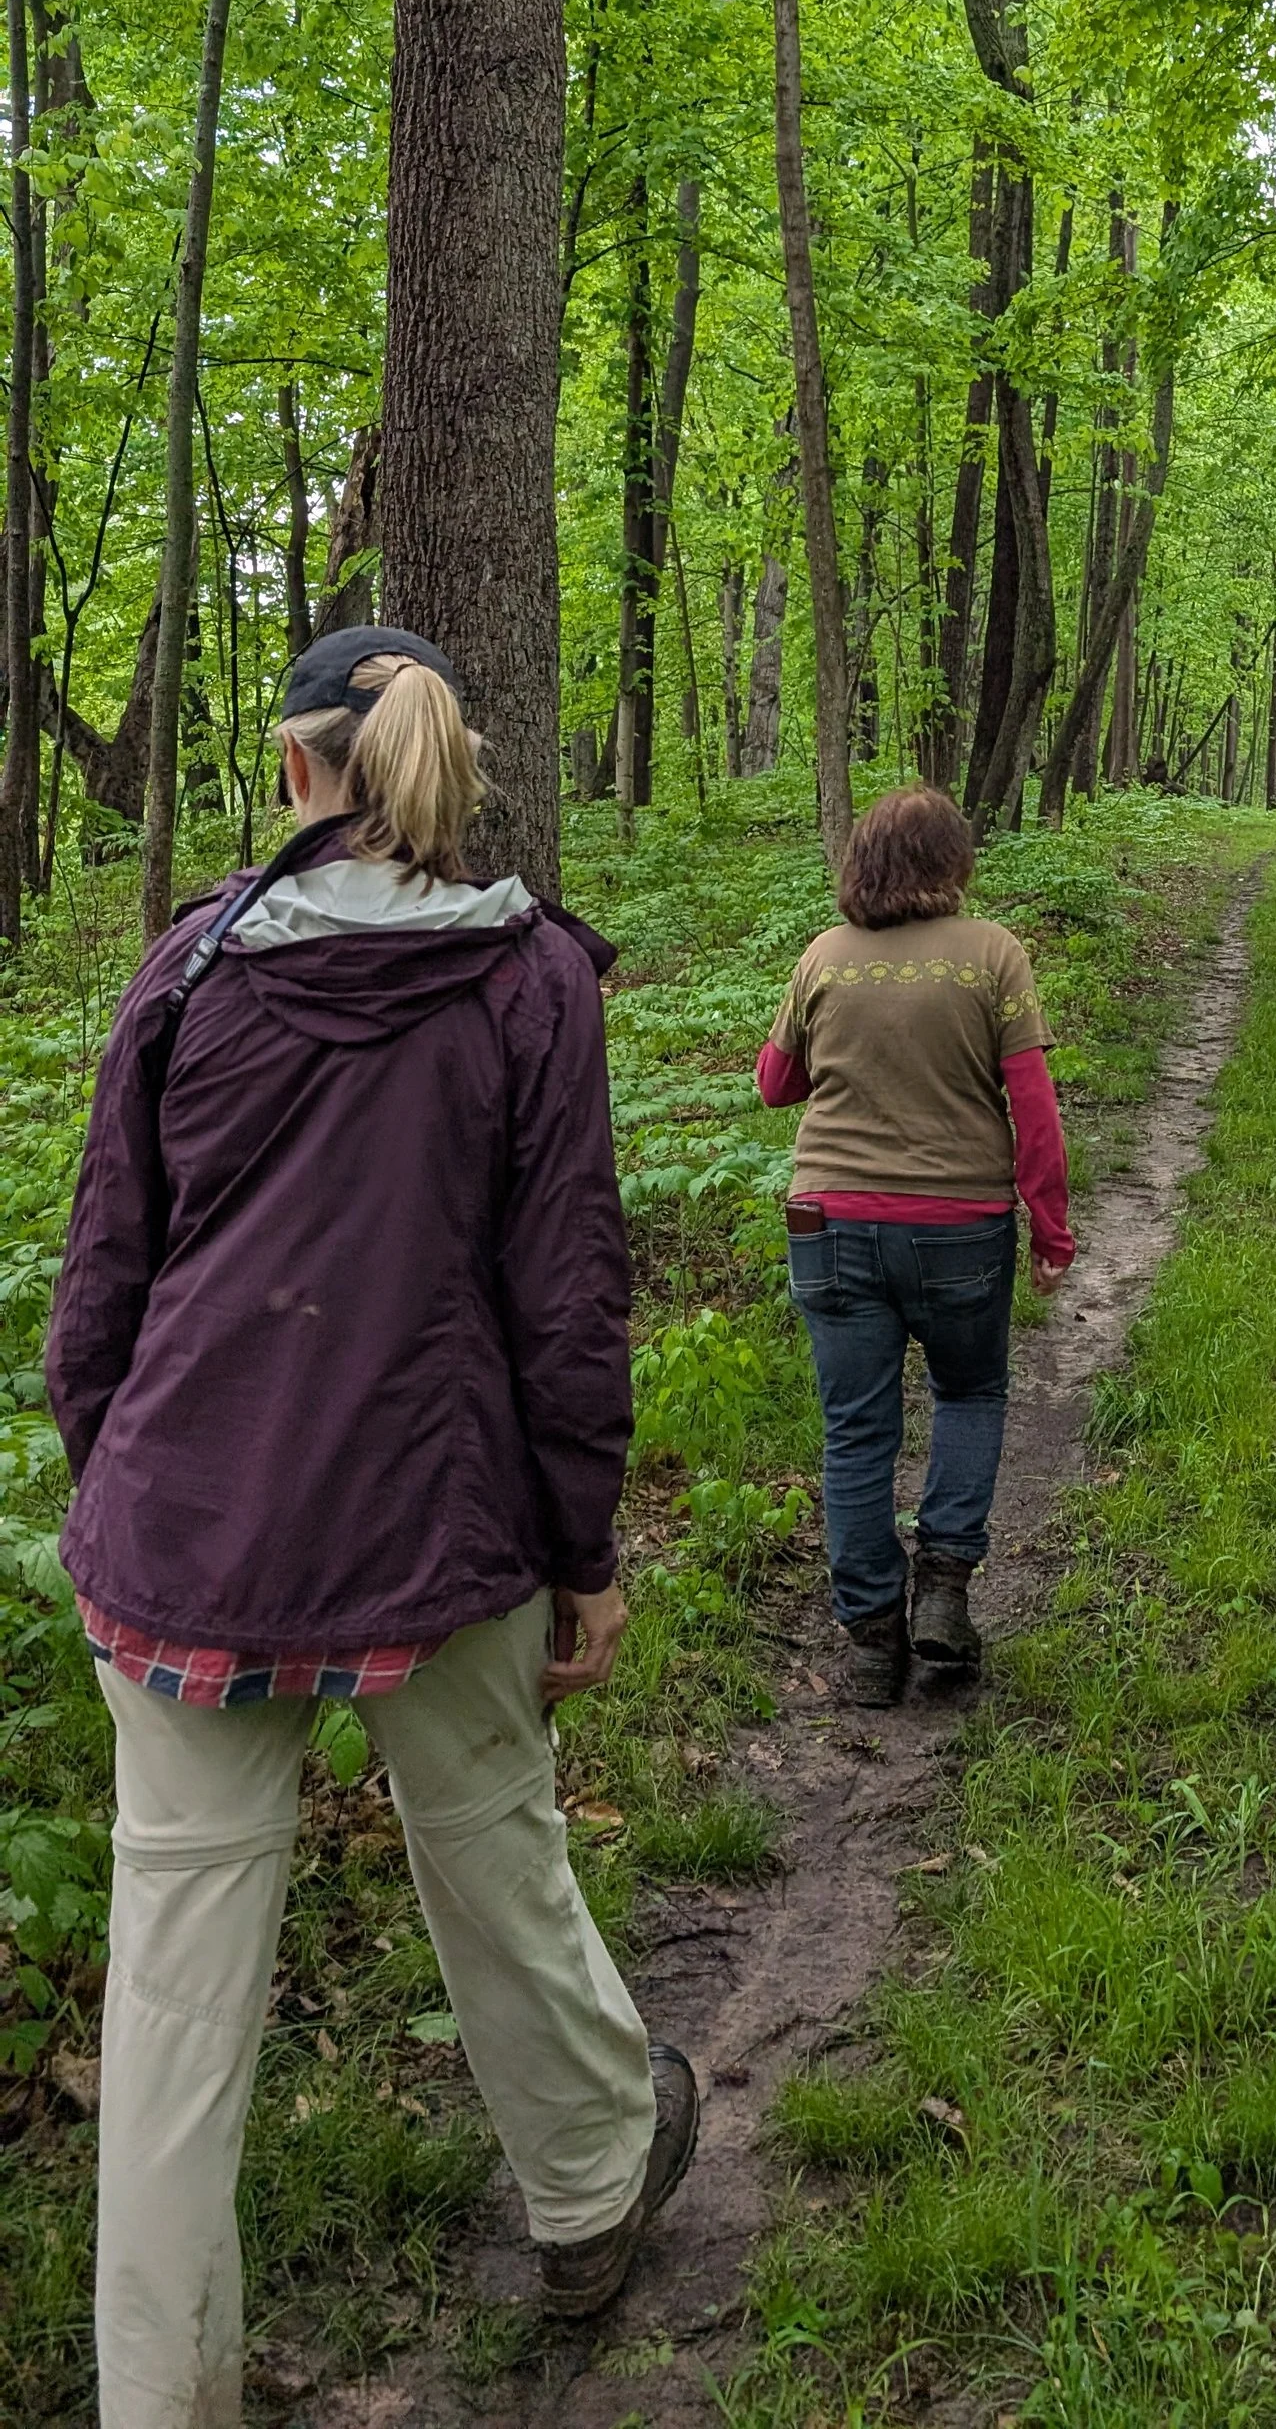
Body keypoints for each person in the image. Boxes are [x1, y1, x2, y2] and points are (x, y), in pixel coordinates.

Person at [46, 629, 697, 2429]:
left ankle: (158, 2395)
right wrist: (587, 1546)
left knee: (174, 1982)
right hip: (441, 1512)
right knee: (492, 1846)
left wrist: (121, 1480)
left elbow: (110, 1261)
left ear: (291, 768)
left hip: (189, 1514)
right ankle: (589, 2193)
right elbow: (564, 1288)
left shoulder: (187, 970)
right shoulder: (529, 980)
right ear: (440, 762)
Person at [756, 782, 1074, 1705]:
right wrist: (1050, 1229)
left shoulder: (823, 958)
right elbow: (1035, 1110)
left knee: (855, 1427)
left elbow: (776, 1086)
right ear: (953, 864)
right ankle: (941, 1589)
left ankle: (868, 1642)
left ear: (863, 863)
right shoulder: (992, 957)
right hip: (959, 1227)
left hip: (829, 1223)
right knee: (970, 1392)